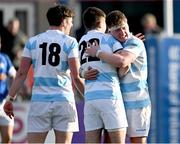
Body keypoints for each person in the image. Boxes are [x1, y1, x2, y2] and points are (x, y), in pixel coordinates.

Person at [3, 5, 84, 143]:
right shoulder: (70, 42)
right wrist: (89, 96)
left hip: (40, 102)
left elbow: (21, 73)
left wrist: (10, 98)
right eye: (70, 22)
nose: (70, 26)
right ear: (64, 21)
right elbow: (76, 77)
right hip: (63, 100)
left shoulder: (32, 41)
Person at [85, 10, 151, 143]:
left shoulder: (135, 43)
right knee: (110, 140)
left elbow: (122, 61)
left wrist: (97, 52)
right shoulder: (112, 44)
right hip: (117, 101)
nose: (122, 33)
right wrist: (83, 73)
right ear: (109, 32)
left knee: (137, 141)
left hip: (136, 102)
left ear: (128, 24)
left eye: (124, 28)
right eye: (117, 30)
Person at [79, 7, 128, 143]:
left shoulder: (81, 42)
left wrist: (83, 73)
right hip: (110, 96)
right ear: (101, 23)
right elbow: (123, 63)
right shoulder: (109, 39)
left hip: (90, 98)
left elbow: (79, 69)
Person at [0, 35, 16, 143]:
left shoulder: (4, 58)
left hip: (3, 102)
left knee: (8, 138)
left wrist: (12, 92)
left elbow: (14, 75)